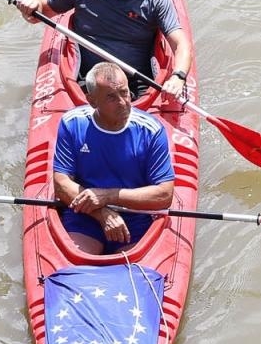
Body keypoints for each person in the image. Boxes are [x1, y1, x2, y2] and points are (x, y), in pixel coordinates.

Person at [12, 0, 192, 101]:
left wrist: (178, 77)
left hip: (137, 80)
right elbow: (41, 12)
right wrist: (31, 5)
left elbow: (181, 44)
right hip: (88, 79)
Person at [52, 62, 176, 255]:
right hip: (85, 214)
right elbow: (61, 184)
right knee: (77, 259)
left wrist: (107, 196)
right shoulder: (72, 123)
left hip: (136, 216)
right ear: (92, 101)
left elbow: (164, 195)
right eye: (111, 97)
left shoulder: (151, 130)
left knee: (129, 271)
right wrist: (101, 214)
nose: (123, 102)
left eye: (125, 93)